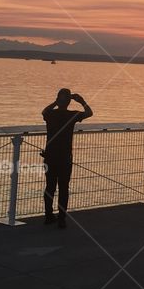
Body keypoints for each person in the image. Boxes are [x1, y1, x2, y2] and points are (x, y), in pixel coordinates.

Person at [40, 88, 92, 228]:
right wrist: (81, 101)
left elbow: (43, 111)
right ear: (69, 101)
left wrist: (55, 103)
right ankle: (62, 219)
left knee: (50, 186)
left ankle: (48, 215)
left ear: (58, 100)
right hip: (65, 158)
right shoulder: (72, 115)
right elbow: (89, 113)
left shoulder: (50, 114)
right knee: (63, 188)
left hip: (50, 156)